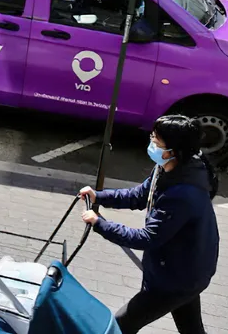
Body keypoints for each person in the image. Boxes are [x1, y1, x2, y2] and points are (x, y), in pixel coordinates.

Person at [79, 115, 220, 334]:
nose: (151, 143)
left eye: (156, 141)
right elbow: (139, 195)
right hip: (185, 271)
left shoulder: (182, 194)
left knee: (119, 325)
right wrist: (99, 197)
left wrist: (100, 224)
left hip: (175, 279)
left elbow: (147, 238)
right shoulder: (169, 168)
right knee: (191, 328)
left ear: (173, 150)